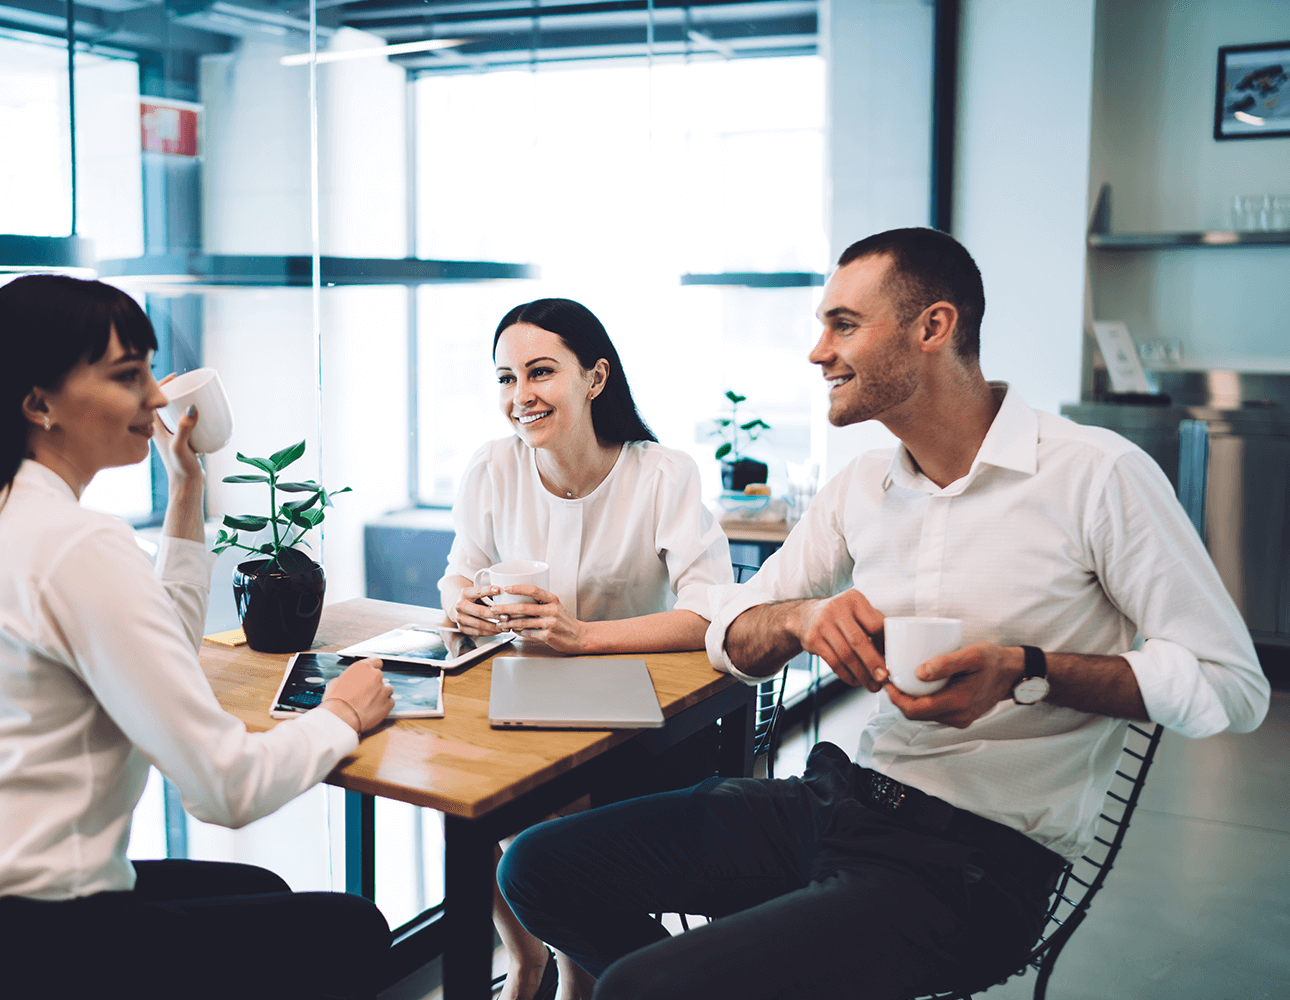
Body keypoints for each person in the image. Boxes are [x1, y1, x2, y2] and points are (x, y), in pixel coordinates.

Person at [496, 229, 1270, 1000]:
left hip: (975, 864)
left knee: (640, 989)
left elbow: (1230, 685)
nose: (816, 352)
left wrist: (1024, 672)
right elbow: (729, 628)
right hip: (841, 802)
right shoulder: (861, 487)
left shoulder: (1097, 476)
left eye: (843, 325)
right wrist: (801, 620)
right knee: (533, 868)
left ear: (933, 328)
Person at [0, 275, 396, 1000]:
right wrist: (341, 716)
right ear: (38, 402)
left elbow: (161, 655)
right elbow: (222, 789)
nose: (156, 396)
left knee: (258, 887)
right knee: (349, 931)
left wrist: (186, 493)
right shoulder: (73, 543)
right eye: (127, 375)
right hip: (12, 951)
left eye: (149, 370)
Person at [439, 298, 733, 1000]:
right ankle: (527, 955)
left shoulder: (663, 474)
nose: (520, 396)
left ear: (595, 378)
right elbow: (458, 569)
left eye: (540, 372)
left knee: (541, 803)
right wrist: (461, 601)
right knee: (461, 788)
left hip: (642, 724)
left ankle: (569, 964)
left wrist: (580, 637)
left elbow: (706, 612)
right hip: (526, 703)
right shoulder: (492, 468)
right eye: (506, 378)